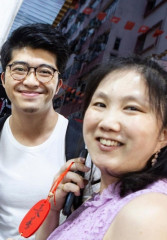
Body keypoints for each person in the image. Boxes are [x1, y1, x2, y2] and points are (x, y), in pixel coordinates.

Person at [35, 56, 167, 240]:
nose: (107, 123)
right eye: (100, 104)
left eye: (131, 108)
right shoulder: (102, 198)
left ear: (163, 135)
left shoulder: (147, 214)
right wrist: (53, 209)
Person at [0, 23, 99, 240]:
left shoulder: (84, 148)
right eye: (19, 69)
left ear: (59, 85)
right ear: (3, 78)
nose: (31, 81)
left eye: (44, 72)